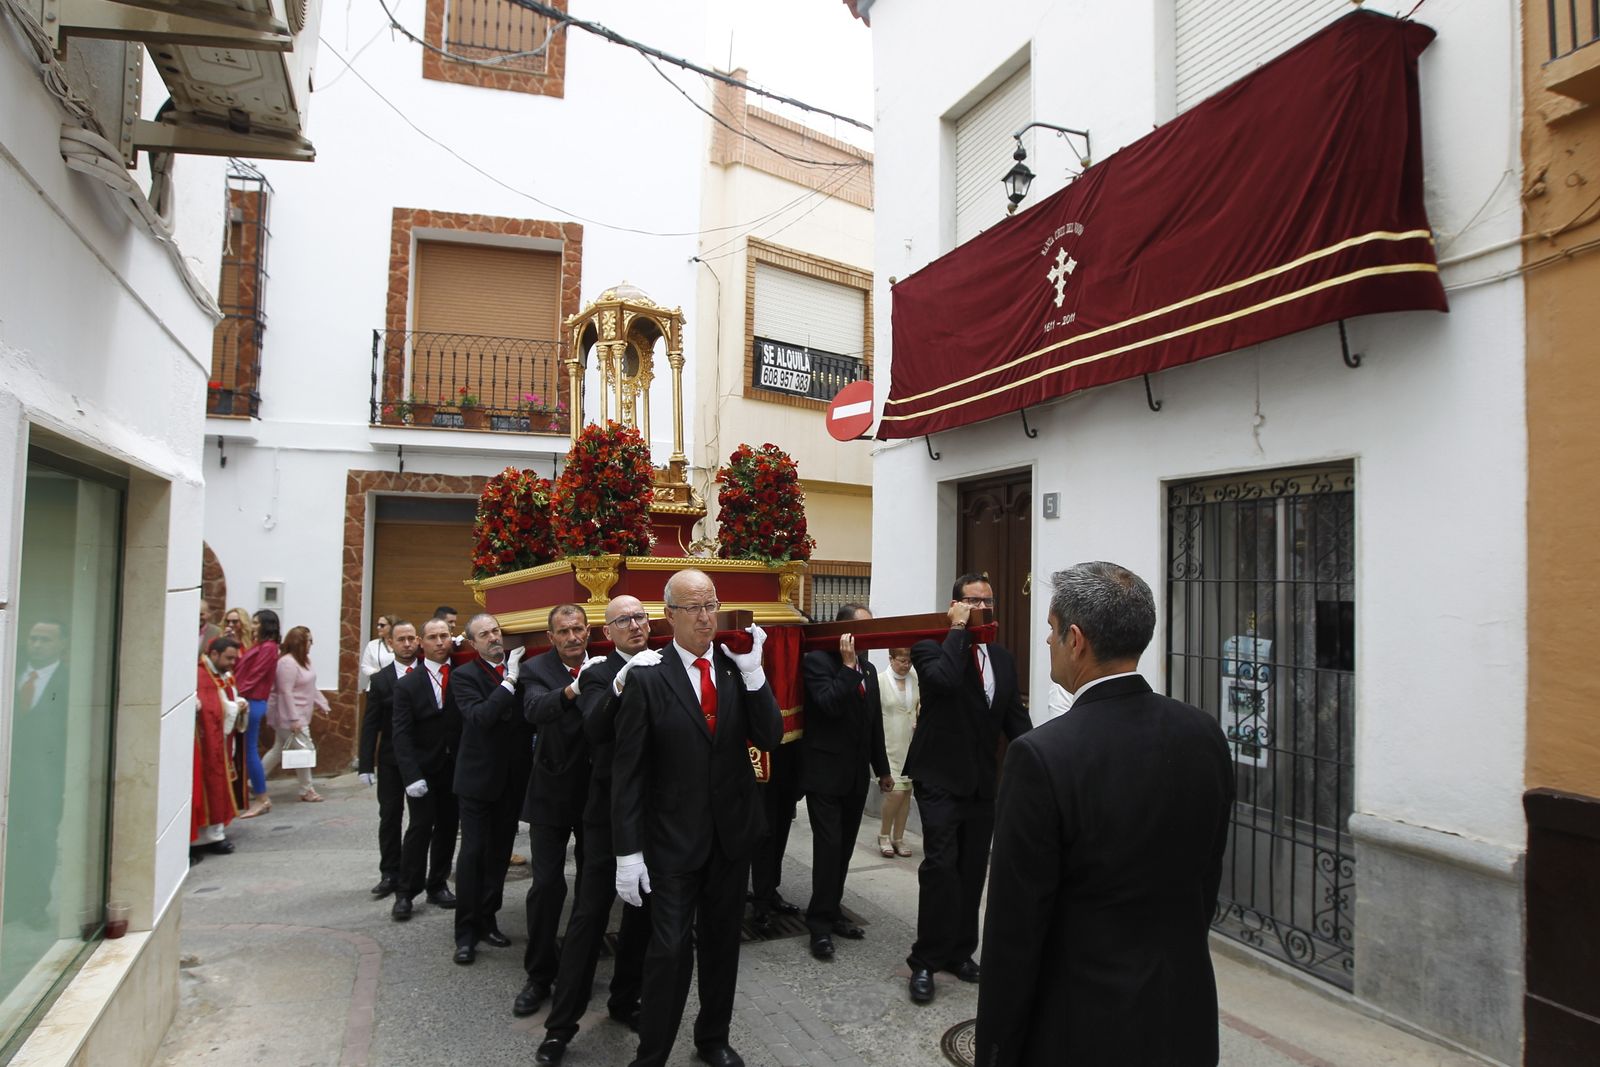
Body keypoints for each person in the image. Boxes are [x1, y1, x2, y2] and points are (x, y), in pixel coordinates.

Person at [974, 562, 1235, 1066]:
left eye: (1050, 629)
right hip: (1183, 1015)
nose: (1045, 641)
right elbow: (1205, 886)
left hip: (1082, 1027)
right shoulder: (1203, 733)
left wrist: (997, 1050)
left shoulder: (1041, 756)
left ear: (1076, 640)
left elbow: (1015, 932)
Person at [612, 568, 783, 1067]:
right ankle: (652, 1054)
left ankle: (712, 1038)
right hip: (669, 842)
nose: (705, 617)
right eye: (693, 608)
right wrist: (628, 851)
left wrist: (756, 674)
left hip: (730, 837)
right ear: (669, 615)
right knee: (668, 951)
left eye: (711, 605)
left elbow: (769, 737)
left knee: (722, 944)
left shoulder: (734, 669)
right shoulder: (646, 675)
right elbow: (628, 774)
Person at [534, 595, 656, 1065]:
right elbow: (595, 728)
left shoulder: (663, 664)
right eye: (624, 620)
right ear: (607, 632)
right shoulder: (598, 673)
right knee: (589, 916)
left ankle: (626, 1000)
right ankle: (560, 1027)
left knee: (642, 914)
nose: (635, 625)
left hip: (652, 811)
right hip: (605, 813)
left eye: (641, 616)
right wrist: (623, 680)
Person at [903, 573, 1032, 1005]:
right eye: (972, 601)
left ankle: (959, 952)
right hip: (938, 776)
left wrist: (1046, 758)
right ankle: (924, 961)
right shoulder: (930, 646)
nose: (981, 607)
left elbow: (1014, 719)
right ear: (955, 604)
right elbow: (941, 683)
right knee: (941, 864)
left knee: (973, 867)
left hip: (980, 782)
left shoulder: (1003, 658)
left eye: (987, 600)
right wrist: (956, 630)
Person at [515, 604, 602, 1012]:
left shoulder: (605, 663)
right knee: (548, 886)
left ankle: (583, 967)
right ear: (550, 637)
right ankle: (539, 975)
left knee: (593, 885)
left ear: (588, 631)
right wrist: (573, 689)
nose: (572, 637)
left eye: (578, 629)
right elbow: (534, 709)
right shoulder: (536, 670)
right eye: (563, 631)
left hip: (595, 793)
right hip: (550, 792)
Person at [801, 604, 893, 961]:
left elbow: (873, 723)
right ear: (844, 633)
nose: (869, 638)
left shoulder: (868, 668)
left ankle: (832, 909)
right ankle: (819, 926)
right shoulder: (818, 663)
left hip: (855, 776)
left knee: (843, 850)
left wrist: (882, 768)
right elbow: (828, 704)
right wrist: (848, 667)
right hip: (824, 775)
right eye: (863, 631)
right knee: (827, 850)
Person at [449, 612, 530, 965]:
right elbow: (481, 718)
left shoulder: (521, 670)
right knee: (473, 855)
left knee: (499, 854)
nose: (493, 638)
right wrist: (509, 682)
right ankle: (465, 932)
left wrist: (515, 677)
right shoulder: (465, 676)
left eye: (496, 631)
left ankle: (488, 918)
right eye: (484, 634)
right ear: (472, 643)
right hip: (477, 780)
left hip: (511, 780)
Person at [389, 617, 461, 921]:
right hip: (423, 769)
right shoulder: (408, 684)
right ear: (422, 642)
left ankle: (437, 883)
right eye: (432, 637)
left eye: (445, 636)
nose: (440, 642)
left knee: (447, 827)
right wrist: (411, 775)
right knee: (420, 828)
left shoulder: (462, 675)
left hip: (454, 767)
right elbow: (401, 734)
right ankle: (406, 891)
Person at [359, 619, 420, 899]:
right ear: (391, 644)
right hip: (390, 760)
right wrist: (365, 764)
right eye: (401, 640)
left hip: (422, 758)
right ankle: (389, 873)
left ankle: (416, 873)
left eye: (411, 638)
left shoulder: (428, 672)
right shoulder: (381, 680)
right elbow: (371, 724)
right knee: (390, 815)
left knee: (421, 821)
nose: (407, 644)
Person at [262, 625, 329, 803]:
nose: (311, 645)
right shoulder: (287, 663)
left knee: (277, 750)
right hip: (289, 717)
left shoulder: (304, 661)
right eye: (309, 641)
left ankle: (255, 781)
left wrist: (322, 702)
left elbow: (310, 685)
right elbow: (285, 692)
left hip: (300, 714)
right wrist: (293, 718)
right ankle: (306, 789)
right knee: (306, 749)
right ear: (300, 643)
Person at [193, 636, 243, 861]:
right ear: (214, 654)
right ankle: (200, 839)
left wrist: (239, 705)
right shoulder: (202, 677)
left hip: (220, 741)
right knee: (206, 787)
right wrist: (233, 707)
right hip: (205, 744)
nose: (232, 663)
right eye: (228, 658)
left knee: (217, 785)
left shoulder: (221, 674)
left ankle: (214, 834)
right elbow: (210, 710)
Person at [233, 609, 280, 818]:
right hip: (248, 699)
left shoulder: (269, 648)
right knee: (247, 750)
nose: (252, 626)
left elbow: (255, 675)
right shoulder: (261, 646)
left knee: (250, 750)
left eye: (255, 622)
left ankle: (261, 797)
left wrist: (237, 692)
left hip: (251, 700)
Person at [876, 647, 919, 857]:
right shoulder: (880, 681)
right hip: (888, 742)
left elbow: (919, 704)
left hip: (910, 743)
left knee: (906, 793)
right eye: (902, 661)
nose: (906, 665)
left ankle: (898, 838)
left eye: (909, 661)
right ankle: (884, 834)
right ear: (891, 659)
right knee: (896, 792)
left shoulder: (915, 678)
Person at [358, 614, 396, 693]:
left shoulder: (400, 644)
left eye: (382, 625)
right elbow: (365, 667)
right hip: (376, 688)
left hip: (396, 687)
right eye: (378, 625)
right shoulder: (372, 645)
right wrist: (379, 673)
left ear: (392, 626)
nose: (378, 627)